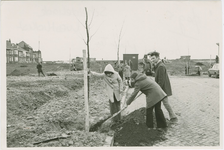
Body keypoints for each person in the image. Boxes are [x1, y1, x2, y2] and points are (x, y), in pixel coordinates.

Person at [149, 51, 178, 123]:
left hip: (163, 88)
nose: (152, 60)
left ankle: (173, 117)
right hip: (161, 88)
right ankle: (170, 116)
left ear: (158, 57)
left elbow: (161, 80)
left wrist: (157, 89)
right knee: (163, 103)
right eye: (151, 59)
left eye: (153, 58)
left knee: (165, 103)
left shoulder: (161, 66)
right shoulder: (158, 65)